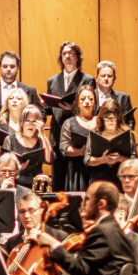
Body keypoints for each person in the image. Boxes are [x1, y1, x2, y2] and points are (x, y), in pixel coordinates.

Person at [45, 41, 92, 188]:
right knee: (58, 178)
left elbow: (91, 105)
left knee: (77, 178)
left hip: (77, 134)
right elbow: (48, 109)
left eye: (71, 53)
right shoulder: (52, 80)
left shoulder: (87, 79)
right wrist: (46, 103)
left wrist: (74, 107)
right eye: (64, 53)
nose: (68, 56)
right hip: (57, 133)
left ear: (78, 57)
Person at [57, 85, 99, 191]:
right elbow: (64, 148)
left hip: (98, 167)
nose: (87, 102)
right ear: (77, 103)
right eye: (83, 99)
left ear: (95, 102)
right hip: (77, 170)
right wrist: (81, 151)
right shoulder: (69, 123)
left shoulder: (101, 121)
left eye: (90, 99)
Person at [84, 100, 133, 185]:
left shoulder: (127, 134)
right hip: (99, 178)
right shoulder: (94, 133)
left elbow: (134, 159)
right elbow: (87, 160)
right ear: (102, 119)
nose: (110, 121)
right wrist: (101, 160)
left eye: (113, 117)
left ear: (118, 117)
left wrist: (120, 158)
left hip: (120, 179)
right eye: (107, 118)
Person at [93, 60, 136, 128]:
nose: (106, 79)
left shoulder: (124, 98)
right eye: (103, 76)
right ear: (96, 78)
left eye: (110, 76)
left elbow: (130, 122)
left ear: (114, 78)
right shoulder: (89, 96)